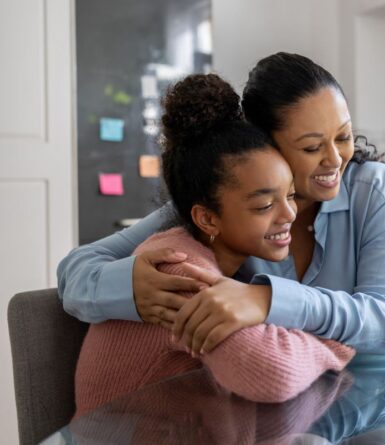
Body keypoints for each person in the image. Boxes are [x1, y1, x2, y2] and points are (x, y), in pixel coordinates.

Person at [58, 52, 385, 355]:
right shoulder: (223, 206)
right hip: (313, 396)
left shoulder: (375, 191)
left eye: (343, 136)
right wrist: (131, 288)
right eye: (311, 147)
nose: (335, 159)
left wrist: (265, 299)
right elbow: (75, 269)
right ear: (267, 146)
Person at [73, 74, 354, 418]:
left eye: (291, 196)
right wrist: (337, 344)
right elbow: (273, 375)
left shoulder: (213, 260)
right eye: (264, 205)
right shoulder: (179, 272)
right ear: (206, 219)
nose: (289, 214)